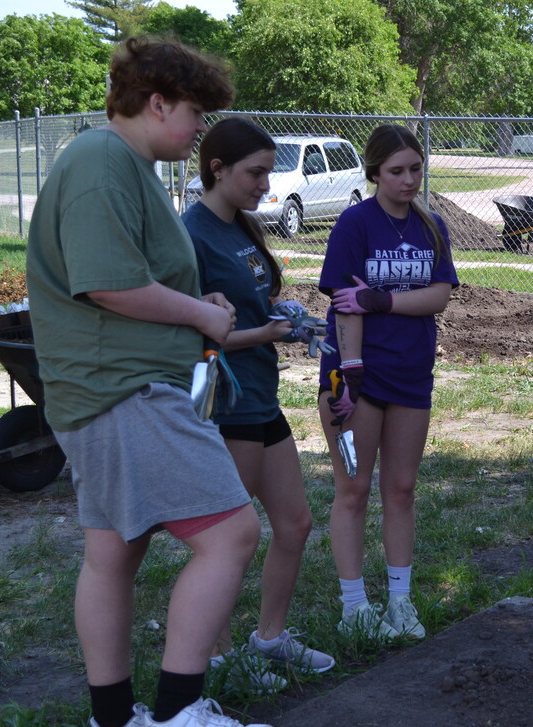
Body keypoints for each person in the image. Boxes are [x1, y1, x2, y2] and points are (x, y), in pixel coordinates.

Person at [26, 37, 271, 727]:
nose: (199, 129)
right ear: (156, 101)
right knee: (230, 534)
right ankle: (179, 711)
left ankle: (116, 718)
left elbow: (139, 280)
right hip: (123, 389)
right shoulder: (103, 161)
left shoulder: (123, 164)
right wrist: (201, 314)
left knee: (113, 554)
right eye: (194, 111)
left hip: (103, 388)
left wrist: (200, 313)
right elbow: (105, 283)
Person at [182, 117, 335, 692]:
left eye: (269, 172)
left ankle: (268, 640)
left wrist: (281, 320)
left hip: (260, 398)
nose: (266, 186)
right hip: (225, 405)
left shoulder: (241, 228)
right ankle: (216, 657)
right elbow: (193, 333)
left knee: (294, 523)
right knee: (227, 540)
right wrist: (264, 335)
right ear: (217, 169)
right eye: (255, 172)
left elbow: (246, 305)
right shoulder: (191, 235)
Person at [317, 123, 459, 641]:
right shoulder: (355, 225)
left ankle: (400, 604)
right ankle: (354, 607)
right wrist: (348, 377)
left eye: (415, 169)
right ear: (374, 171)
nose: (408, 180)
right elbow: (343, 305)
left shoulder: (431, 226)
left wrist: (382, 299)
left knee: (401, 489)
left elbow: (439, 295)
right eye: (396, 171)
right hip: (355, 381)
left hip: (411, 376)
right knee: (353, 489)